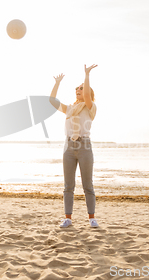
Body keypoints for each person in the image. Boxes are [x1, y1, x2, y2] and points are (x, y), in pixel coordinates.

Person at [50, 64, 99, 228]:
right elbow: (52, 101)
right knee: (68, 185)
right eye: (76, 89)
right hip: (68, 146)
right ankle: (68, 218)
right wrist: (57, 83)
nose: (78, 90)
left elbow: (86, 94)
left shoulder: (91, 107)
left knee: (88, 185)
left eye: (82, 88)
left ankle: (92, 218)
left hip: (85, 146)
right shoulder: (70, 109)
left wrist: (86, 75)